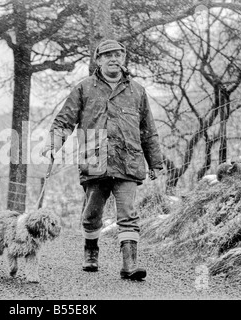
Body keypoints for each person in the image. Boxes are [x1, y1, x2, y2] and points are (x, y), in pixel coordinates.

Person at [42, 39, 163, 281]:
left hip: (128, 161)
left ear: (123, 58)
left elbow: (147, 129)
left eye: (118, 54)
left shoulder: (137, 91)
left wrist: (155, 162)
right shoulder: (84, 88)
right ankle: (90, 250)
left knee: (128, 214)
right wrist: (54, 144)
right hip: (94, 160)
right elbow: (65, 120)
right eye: (107, 55)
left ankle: (130, 264)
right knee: (92, 214)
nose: (113, 59)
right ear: (98, 60)